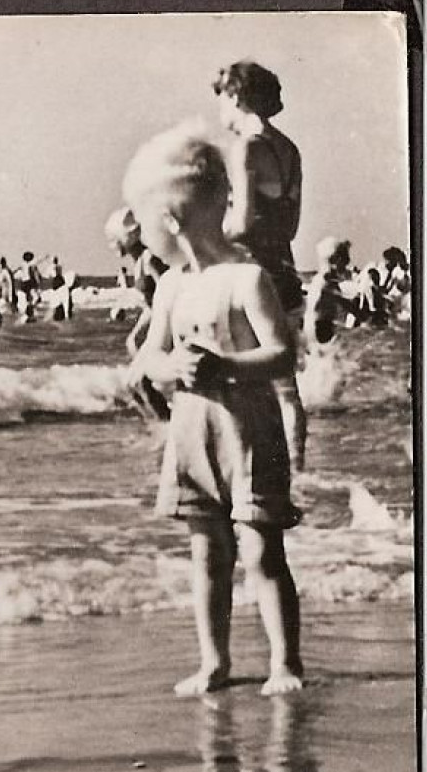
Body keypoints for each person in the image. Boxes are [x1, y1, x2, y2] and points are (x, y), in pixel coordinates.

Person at [122, 122, 303, 698]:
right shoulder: (171, 288)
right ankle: (214, 661)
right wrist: (171, 369)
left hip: (248, 430)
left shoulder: (246, 278)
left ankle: (285, 663)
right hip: (191, 433)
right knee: (206, 550)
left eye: (145, 227)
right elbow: (147, 359)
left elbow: (283, 355)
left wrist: (226, 366)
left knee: (259, 547)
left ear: (170, 223)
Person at [214, 60, 307, 470]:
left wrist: (211, 232)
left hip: (250, 271)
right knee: (286, 389)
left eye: (222, 101)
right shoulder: (289, 150)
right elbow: (290, 223)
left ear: (235, 95)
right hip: (284, 266)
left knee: (238, 377)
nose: (221, 114)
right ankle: (295, 472)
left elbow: (243, 221)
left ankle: (249, 472)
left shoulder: (246, 147)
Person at [105, 206, 173, 420]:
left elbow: (168, 294)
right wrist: (136, 334)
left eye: (113, 239)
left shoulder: (149, 259)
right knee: (134, 385)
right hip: (156, 319)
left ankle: (166, 425)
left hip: (167, 323)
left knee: (138, 382)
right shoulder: (138, 262)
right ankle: (159, 423)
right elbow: (151, 302)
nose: (111, 245)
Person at [303, 237, 356, 346]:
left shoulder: (320, 279)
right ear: (336, 261)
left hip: (315, 326)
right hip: (320, 327)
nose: (346, 267)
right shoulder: (326, 281)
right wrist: (362, 315)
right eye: (344, 262)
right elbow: (344, 302)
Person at [13, 253, 42, 320]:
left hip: (24, 283)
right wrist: (45, 257)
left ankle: (29, 311)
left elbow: (16, 270)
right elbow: (38, 261)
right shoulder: (31, 264)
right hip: (30, 282)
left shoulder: (22, 264)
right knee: (35, 298)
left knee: (29, 298)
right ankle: (29, 311)